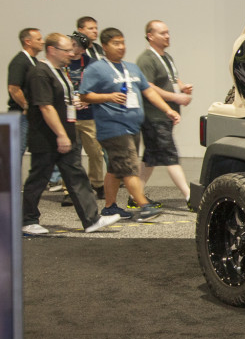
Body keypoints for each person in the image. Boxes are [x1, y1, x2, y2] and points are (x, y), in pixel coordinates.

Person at [20, 33, 121, 236]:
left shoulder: (59, 71)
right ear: (52, 50)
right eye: (66, 50)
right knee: (38, 179)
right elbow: (46, 107)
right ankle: (27, 221)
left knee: (77, 177)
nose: (71, 53)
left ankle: (91, 219)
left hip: (64, 134)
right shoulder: (40, 73)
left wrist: (74, 102)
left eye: (72, 49)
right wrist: (61, 135)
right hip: (47, 138)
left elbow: (60, 101)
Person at [79, 27, 180, 222]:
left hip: (133, 126)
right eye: (116, 43)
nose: (121, 47)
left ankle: (109, 207)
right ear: (105, 47)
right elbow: (84, 95)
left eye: (122, 42)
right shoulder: (96, 68)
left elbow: (148, 92)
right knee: (128, 166)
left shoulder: (132, 68)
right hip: (112, 127)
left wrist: (167, 109)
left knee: (116, 169)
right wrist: (107, 97)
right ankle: (143, 205)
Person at [136, 20, 193, 206]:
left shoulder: (166, 57)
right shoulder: (146, 59)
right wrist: (175, 99)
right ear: (150, 36)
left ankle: (135, 196)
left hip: (164, 116)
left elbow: (172, 78)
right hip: (155, 116)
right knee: (170, 156)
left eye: (168, 32)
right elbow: (149, 87)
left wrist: (183, 87)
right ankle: (189, 196)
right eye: (162, 33)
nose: (167, 36)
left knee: (149, 159)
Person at [67, 33, 106, 198]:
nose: (70, 46)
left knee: (96, 153)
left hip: (88, 115)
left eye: (73, 44)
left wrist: (88, 100)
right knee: (69, 154)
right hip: (68, 116)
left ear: (81, 48)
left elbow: (102, 87)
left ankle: (97, 184)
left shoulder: (93, 65)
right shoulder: (62, 63)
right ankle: (69, 189)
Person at [7, 28, 44, 157]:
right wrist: (26, 106)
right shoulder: (20, 62)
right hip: (21, 115)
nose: (42, 42)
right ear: (28, 42)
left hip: (32, 116)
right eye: (38, 39)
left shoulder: (34, 61)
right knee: (17, 150)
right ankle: (10, 177)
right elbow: (13, 88)